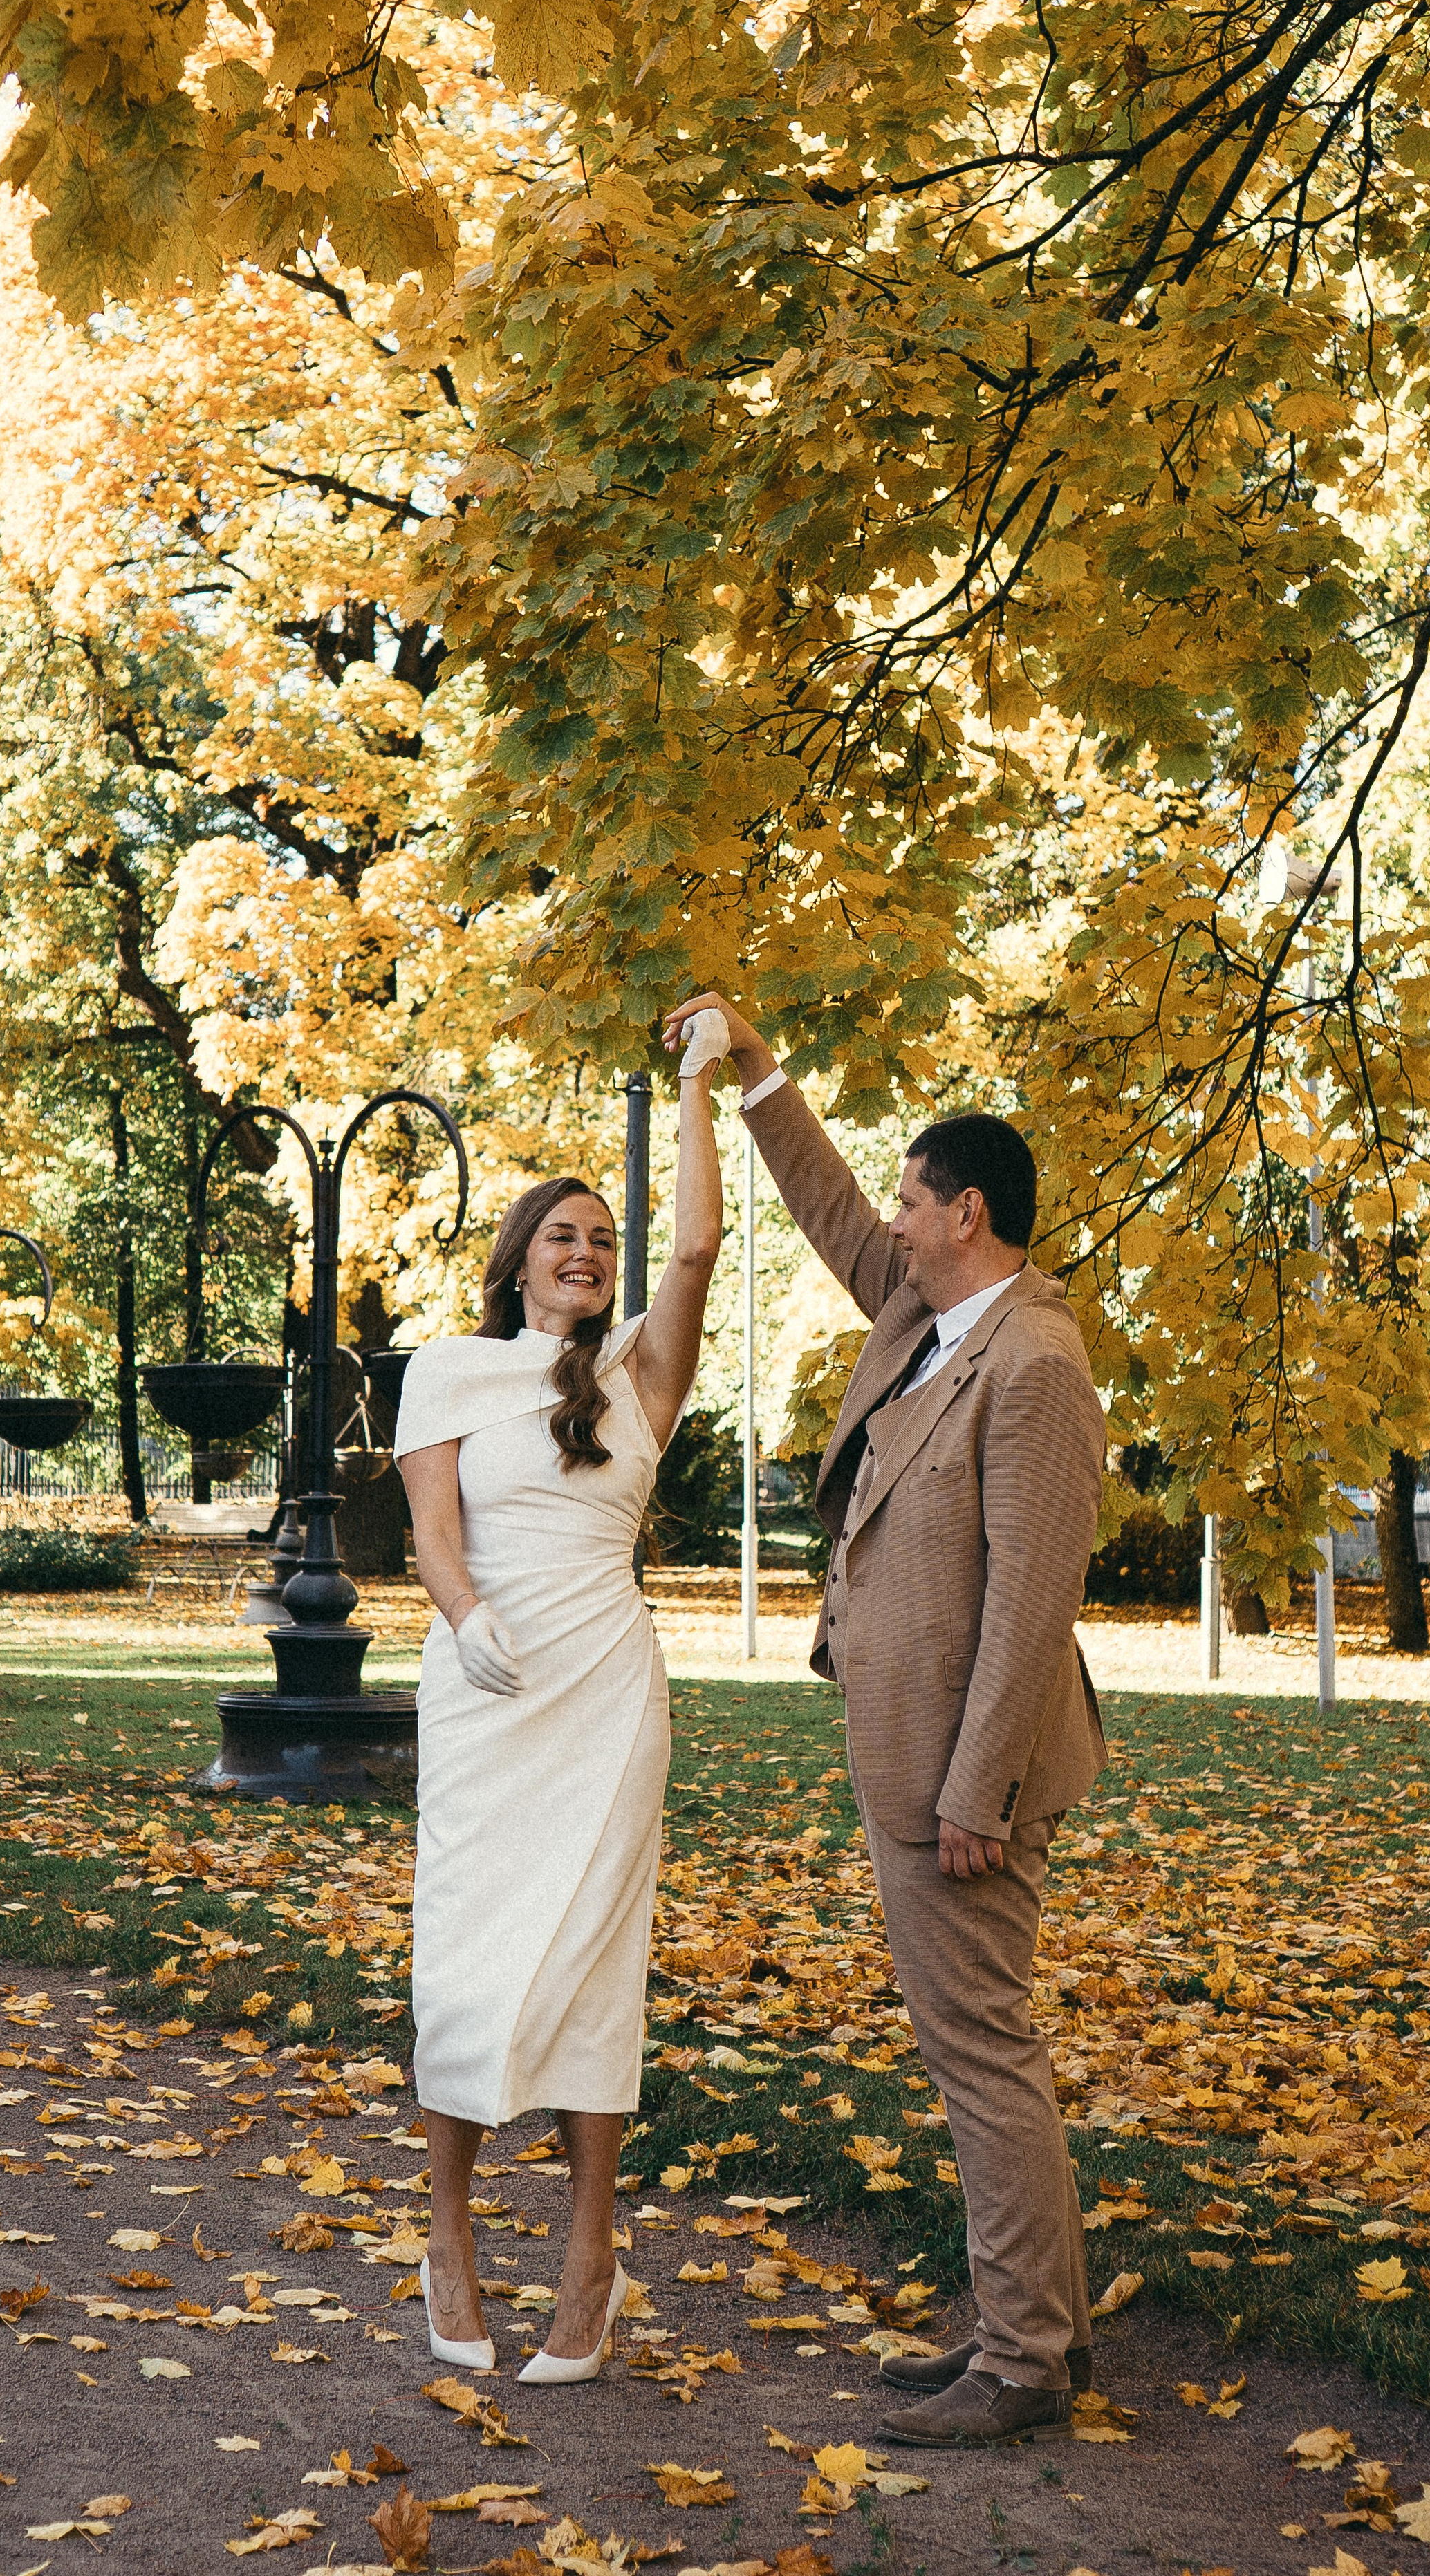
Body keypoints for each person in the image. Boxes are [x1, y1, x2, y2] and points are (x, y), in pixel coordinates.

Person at [662, 991, 1106, 2447]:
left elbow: (1032, 1603)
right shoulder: (930, 1309)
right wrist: (753, 1069)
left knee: (979, 2048)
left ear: (966, 1211)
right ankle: (1023, 2331)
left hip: (958, 1779)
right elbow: (831, 1213)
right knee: (968, 2043)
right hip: (910, 1750)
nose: (893, 1226)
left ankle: (1023, 2363)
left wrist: (974, 1792)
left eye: (915, 1205)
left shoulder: (1032, 1359)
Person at [394, 1015, 727, 2384]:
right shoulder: (446, 1369)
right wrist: (466, 1623)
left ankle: (590, 2256)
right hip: (485, 1691)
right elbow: (428, 1536)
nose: (585, 1255)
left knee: (593, 1961)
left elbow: (696, 1248)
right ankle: (447, 2238)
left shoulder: (637, 1370)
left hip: (602, 1688)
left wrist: (706, 1084)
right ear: (517, 1259)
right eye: (561, 1237)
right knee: (468, 1962)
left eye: (599, 1238)